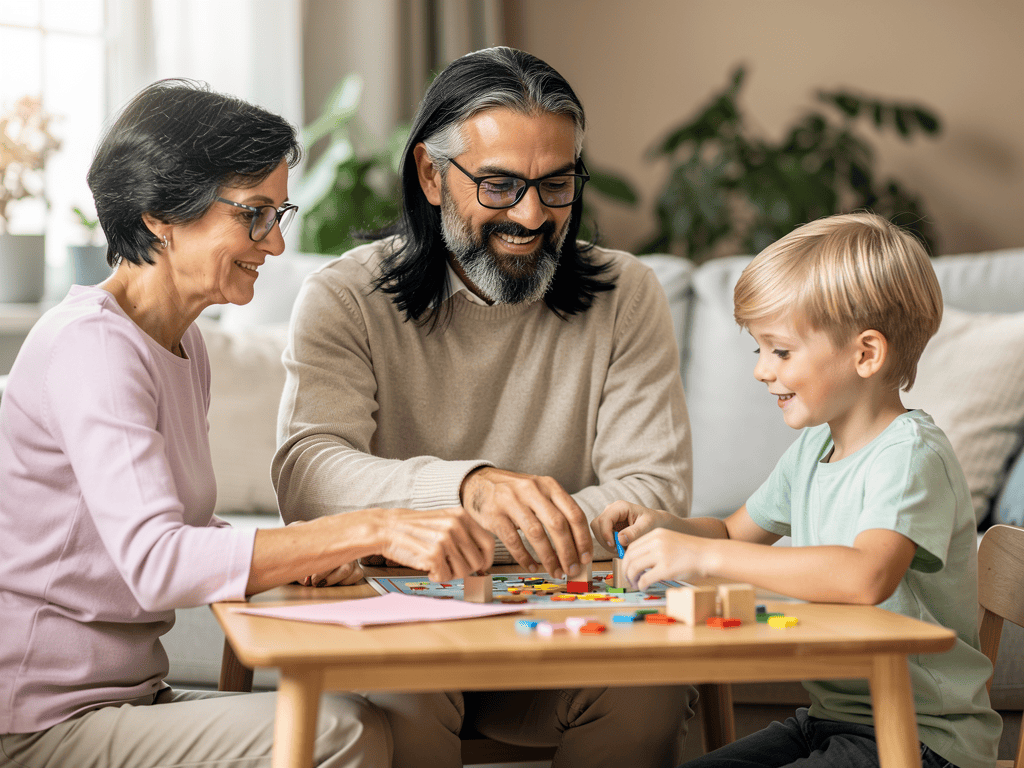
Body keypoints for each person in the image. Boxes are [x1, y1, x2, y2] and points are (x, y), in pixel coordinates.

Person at [0, 80, 496, 768]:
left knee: (367, 719)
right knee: (345, 732)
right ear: (158, 215)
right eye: (255, 214)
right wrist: (366, 526)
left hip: (128, 699)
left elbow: (178, 530)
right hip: (44, 725)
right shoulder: (93, 347)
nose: (277, 242)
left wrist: (313, 554)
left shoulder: (178, 341)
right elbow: (156, 562)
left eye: (279, 212)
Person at [273, 47, 696, 767]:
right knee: (403, 694)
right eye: (500, 186)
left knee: (649, 690)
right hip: (403, 627)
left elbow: (651, 495)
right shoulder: (343, 297)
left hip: (557, 625)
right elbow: (310, 476)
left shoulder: (629, 294)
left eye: (556, 185)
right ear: (433, 177)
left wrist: (437, 541)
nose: (532, 215)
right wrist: (471, 488)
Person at [594, 212, 1002, 768]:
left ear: (865, 355)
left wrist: (705, 555)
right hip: (832, 720)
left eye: (780, 351)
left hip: (920, 736)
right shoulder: (813, 451)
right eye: (759, 350)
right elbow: (734, 532)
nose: (762, 370)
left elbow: (866, 575)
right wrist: (668, 528)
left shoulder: (909, 456)